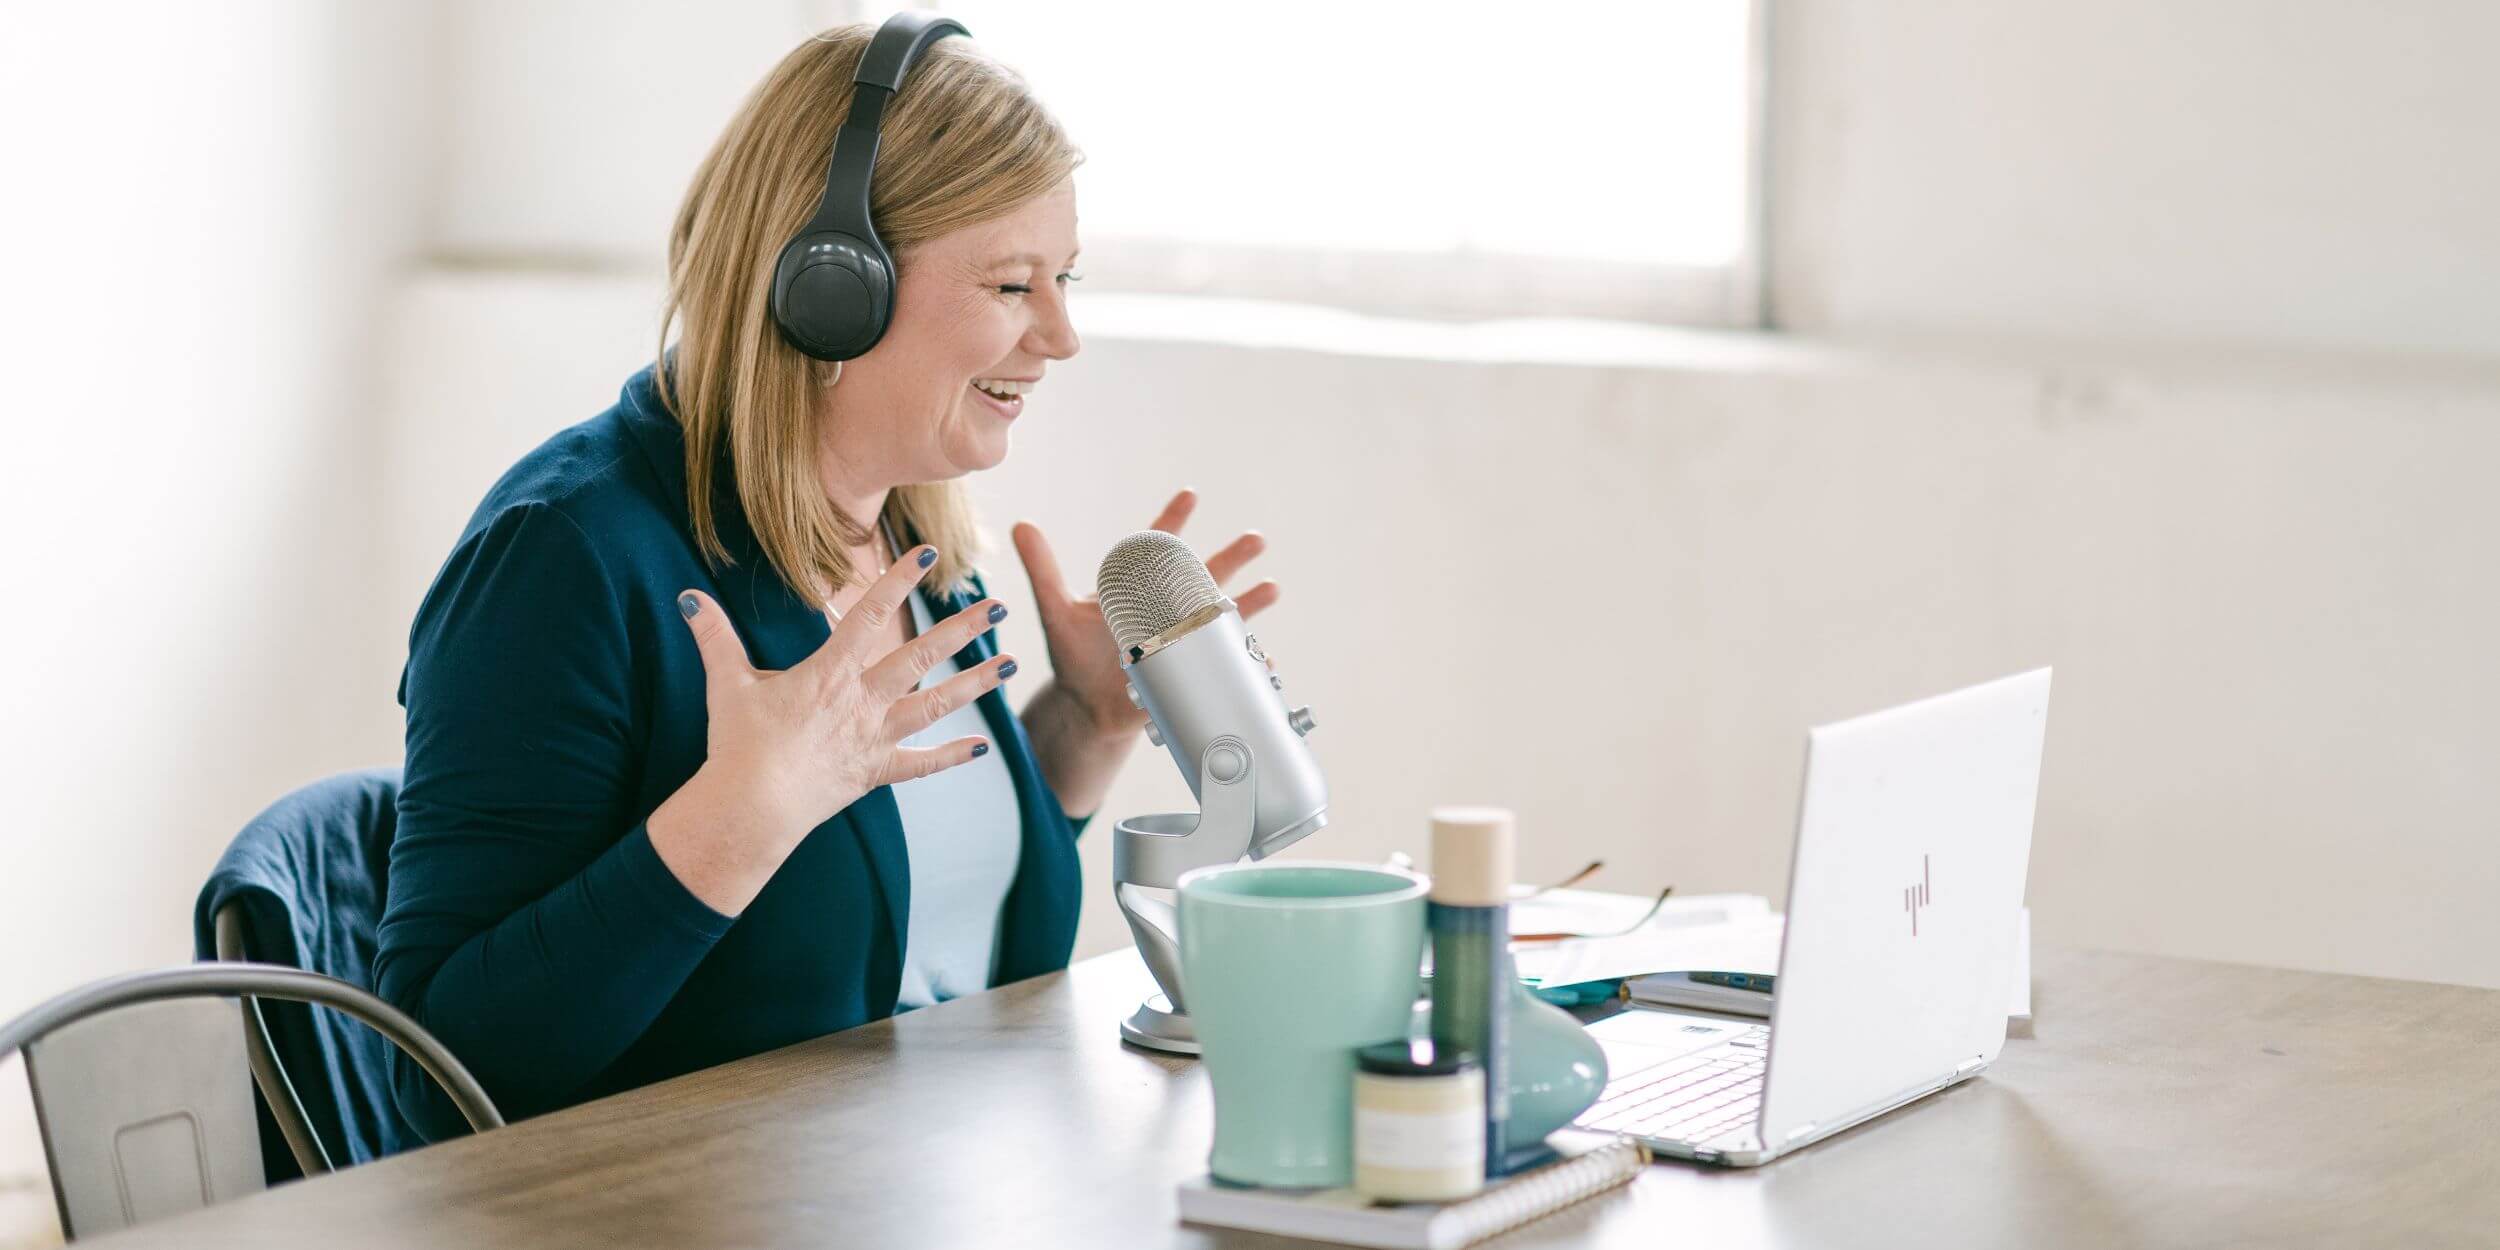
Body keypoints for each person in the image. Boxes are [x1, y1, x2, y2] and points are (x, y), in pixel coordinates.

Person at [373, 21, 1279, 1140]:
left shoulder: (903, 528)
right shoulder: (563, 557)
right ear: (831, 286)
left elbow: (921, 916)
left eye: (1066, 279)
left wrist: (1084, 724)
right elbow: (438, 1076)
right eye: (1012, 283)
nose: (1060, 334)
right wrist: (740, 817)